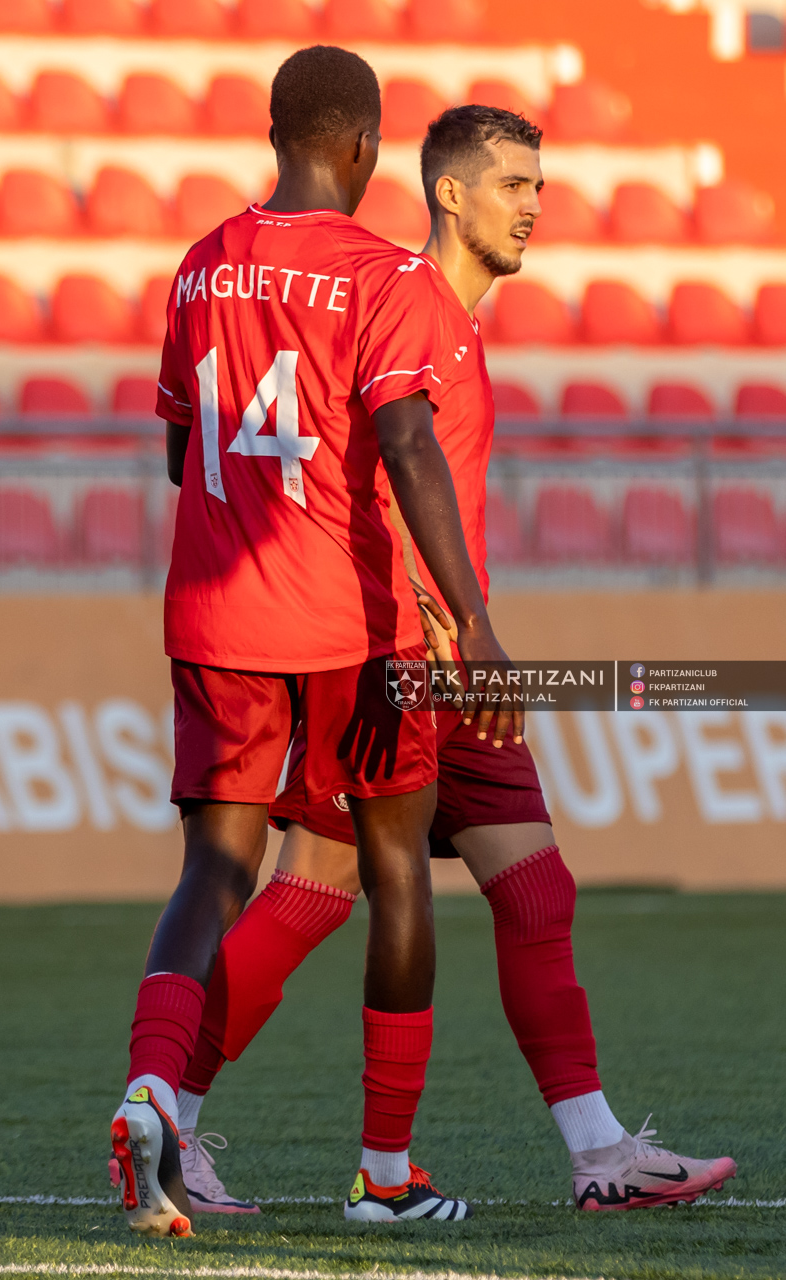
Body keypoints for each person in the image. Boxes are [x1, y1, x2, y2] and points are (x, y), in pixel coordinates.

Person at [169, 105, 738, 1218]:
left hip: (431, 660)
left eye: (539, 186)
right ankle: (186, 1122)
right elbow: (369, 475)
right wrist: (450, 626)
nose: (534, 206)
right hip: (402, 660)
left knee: (493, 887)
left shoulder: (450, 319)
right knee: (322, 890)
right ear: (448, 192)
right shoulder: (410, 302)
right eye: (513, 185)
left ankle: (597, 1151)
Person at [109, 52, 514, 1237]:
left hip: (216, 619)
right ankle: (384, 1172)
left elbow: (181, 452)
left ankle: (153, 1092)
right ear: (365, 149)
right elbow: (407, 440)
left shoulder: (199, 266)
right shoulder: (384, 276)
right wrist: (473, 621)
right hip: (351, 627)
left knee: (213, 872)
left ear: (274, 134)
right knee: (394, 870)